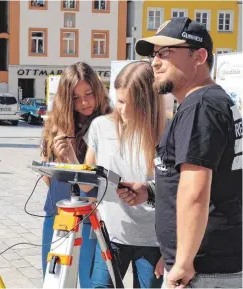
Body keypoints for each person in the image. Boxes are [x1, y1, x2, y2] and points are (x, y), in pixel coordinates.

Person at [117, 17, 242, 288]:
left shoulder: (201, 106)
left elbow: (195, 192)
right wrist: (149, 191)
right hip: (202, 266)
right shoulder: (207, 102)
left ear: (199, 56)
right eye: (154, 54)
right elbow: (211, 184)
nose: (155, 62)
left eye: (166, 53)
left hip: (202, 271)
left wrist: (184, 261)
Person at [82, 61, 166, 288]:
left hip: (154, 242)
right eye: (119, 101)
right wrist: (67, 162)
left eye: (131, 103)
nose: (122, 109)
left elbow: (177, 192)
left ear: (148, 103)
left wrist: (171, 252)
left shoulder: (166, 133)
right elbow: (88, 182)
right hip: (111, 235)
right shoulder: (100, 126)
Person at [40, 62, 111, 287]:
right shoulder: (58, 122)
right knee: (53, 280)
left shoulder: (107, 123)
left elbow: (95, 183)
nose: (84, 102)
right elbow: (47, 179)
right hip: (58, 210)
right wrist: (51, 162)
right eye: (76, 97)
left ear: (98, 90)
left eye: (89, 94)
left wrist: (72, 160)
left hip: (92, 216)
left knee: (90, 282)